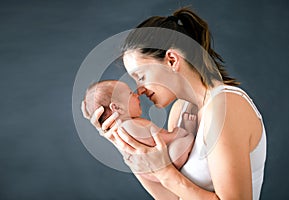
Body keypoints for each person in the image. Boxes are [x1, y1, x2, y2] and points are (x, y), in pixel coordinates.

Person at [82, 7, 267, 200]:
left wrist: (164, 172)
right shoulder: (179, 111)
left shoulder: (225, 106)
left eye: (141, 77)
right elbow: (172, 198)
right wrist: (128, 148)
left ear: (171, 60)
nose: (139, 90)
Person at [83, 80, 196, 182]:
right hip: (167, 162)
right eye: (130, 94)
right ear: (116, 108)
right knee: (179, 147)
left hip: (159, 169)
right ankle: (190, 133)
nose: (137, 95)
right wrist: (178, 133)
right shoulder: (128, 126)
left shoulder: (130, 125)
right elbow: (157, 140)